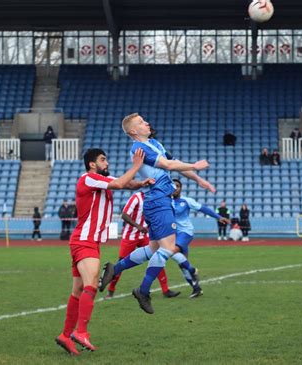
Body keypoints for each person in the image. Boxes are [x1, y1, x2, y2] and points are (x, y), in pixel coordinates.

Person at [98, 113, 213, 315]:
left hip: (157, 202)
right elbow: (168, 166)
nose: (147, 123)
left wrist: (197, 179)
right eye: (141, 122)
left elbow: (173, 162)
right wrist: (195, 165)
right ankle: (143, 291)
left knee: (153, 249)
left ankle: (114, 270)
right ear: (133, 131)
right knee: (168, 248)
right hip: (159, 202)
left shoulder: (154, 144)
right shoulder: (139, 148)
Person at [55, 147, 153, 355]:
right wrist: (136, 166)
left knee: (78, 291)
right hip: (86, 241)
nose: (106, 163)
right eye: (103, 159)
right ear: (92, 164)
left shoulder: (99, 181)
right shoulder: (88, 178)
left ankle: (65, 335)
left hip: (84, 241)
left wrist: (141, 183)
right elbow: (119, 183)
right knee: (90, 286)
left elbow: (125, 183)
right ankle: (81, 332)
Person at [105, 191, 180, 299]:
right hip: (130, 236)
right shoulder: (136, 197)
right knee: (121, 262)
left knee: (157, 258)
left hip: (144, 235)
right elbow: (124, 215)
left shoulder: (155, 198)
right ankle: (111, 290)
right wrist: (138, 226)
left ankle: (165, 290)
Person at [168, 178, 229, 298]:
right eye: (173, 186)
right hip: (173, 235)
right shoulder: (166, 201)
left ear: (181, 189)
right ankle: (196, 289)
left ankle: (193, 270)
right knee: (182, 264)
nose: (175, 188)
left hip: (185, 233)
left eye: (177, 186)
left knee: (172, 251)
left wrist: (218, 217)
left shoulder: (186, 200)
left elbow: (203, 208)